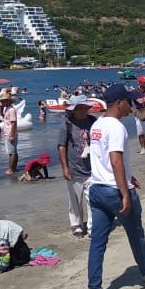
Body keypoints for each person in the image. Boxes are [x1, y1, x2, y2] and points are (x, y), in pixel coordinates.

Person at [85, 83, 145, 289]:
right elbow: (115, 160)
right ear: (118, 103)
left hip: (96, 188)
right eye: (128, 102)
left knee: (98, 241)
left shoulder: (97, 125)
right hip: (114, 190)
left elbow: (102, 159)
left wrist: (129, 176)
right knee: (135, 234)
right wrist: (125, 193)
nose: (132, 106)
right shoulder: (117, 127)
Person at [58, 95, 94, 237]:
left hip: (92, 168)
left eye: (85, 107)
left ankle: (92, 227)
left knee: (92, 199)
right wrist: (65, 168)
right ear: (73, 110)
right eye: (80, 108)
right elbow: (61, 146)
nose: (83, 110)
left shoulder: (93, 122)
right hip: (74, 168)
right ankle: (76, 224)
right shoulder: (67, 124)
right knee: (75, 200)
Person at [0, 90, 19, 175]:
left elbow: (13, 123)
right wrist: (1, 110)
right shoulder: (7, 109)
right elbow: (5, 118)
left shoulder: (11, 110)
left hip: (10, 133)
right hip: (9, 132)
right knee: (13, 151)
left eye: (2, 101)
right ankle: (13, 168)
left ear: (7, 101)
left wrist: (12, 135)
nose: (1, 102)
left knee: (11, 152)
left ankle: (10, 169)